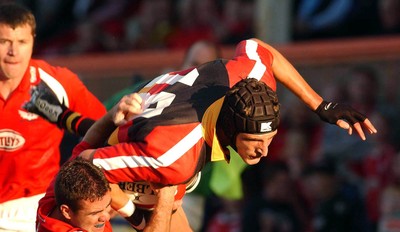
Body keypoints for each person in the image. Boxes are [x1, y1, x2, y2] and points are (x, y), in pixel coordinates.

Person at [28, 38, 377, 230]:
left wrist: (322, 107)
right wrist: (137, 212)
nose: (265, 153)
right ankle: (59, 113)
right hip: (118, 176)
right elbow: (87, 163)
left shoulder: (245, 78)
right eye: (256, 143)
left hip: (149, 140)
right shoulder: (173, 159)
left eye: (270, 140)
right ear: (229, 128)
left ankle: (62, 114)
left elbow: (261, 50)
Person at [0, 2, 106, 231]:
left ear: (33, 41)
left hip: (34, 207)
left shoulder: (57, 82)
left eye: (22, 42)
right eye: (4, 42)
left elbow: (105, 130)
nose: (13, 52)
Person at [36, 157, 113, 231]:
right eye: (95, 213)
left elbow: (80, 151)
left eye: (107, 206)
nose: (106, 218)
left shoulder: (53, 197)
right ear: (66, 212)